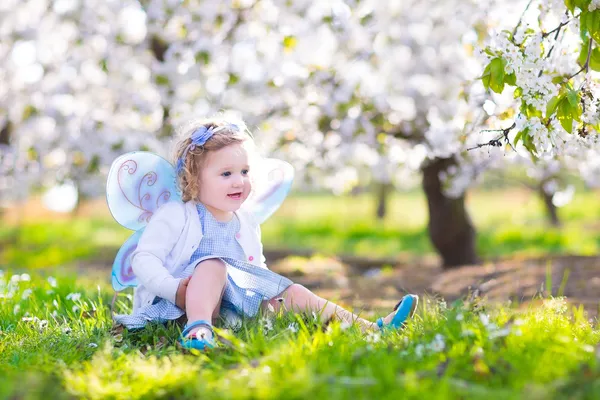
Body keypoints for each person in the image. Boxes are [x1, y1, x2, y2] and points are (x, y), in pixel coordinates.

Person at [113, 117, 419, 350]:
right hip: (177, 306)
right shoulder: (177, 214)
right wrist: (173, 287)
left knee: (294, 292)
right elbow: (145, 259)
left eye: (244, 172)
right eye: (226, 174)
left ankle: (372, 328)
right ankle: (197, 328)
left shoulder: (244, 220)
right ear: (193, 177)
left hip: (233, 310)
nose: (239, 182)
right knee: (212, 264)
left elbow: (255, 271)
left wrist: (273, 299)